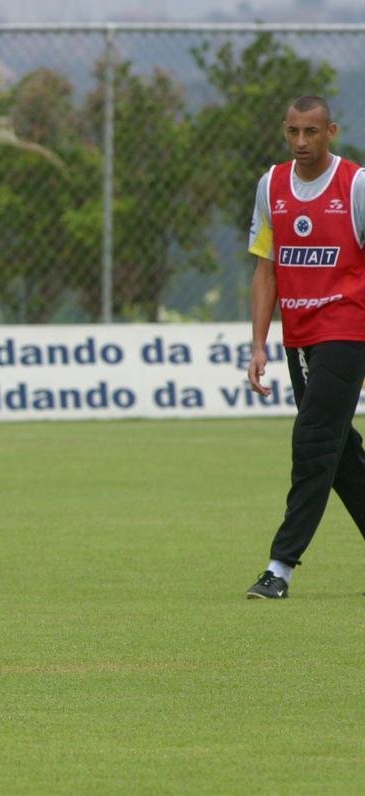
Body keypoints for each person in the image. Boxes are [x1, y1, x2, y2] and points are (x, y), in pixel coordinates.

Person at [244, 96, 365, 599]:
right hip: (299, 338)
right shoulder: (271, 186)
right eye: (293, 131)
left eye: (311, 132)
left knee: (313, 442)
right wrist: (257, 345)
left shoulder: (356, 185)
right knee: (341, 456)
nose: (301, 142)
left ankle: (280, 567)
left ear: (330, 131)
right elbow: (266, 269)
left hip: (347, 329)